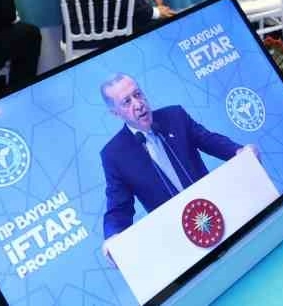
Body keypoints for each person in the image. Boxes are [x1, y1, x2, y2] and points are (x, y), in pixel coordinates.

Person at [98, 72, 264, 240]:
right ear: (115, 113)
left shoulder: (174, 116)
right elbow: (119, 205)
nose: (138, 104)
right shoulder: (114, 154)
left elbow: (208, 140)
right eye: (127, 102)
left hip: (215, 210)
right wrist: (112, 236)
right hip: (177, 236)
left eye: (138, 94)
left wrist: (238, 151)